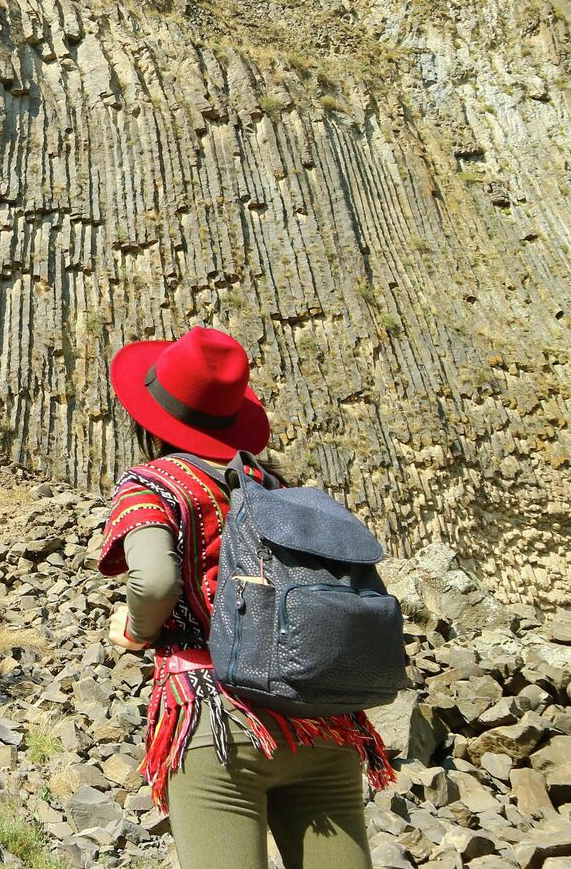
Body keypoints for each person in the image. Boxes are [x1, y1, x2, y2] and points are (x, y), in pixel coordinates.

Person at [97, 327, 392, 869]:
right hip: (321, 716)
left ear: (148, 418)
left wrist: (136, 631)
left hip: (218, 719)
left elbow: (155, 582)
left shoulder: (154, 483)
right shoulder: (279, 489)